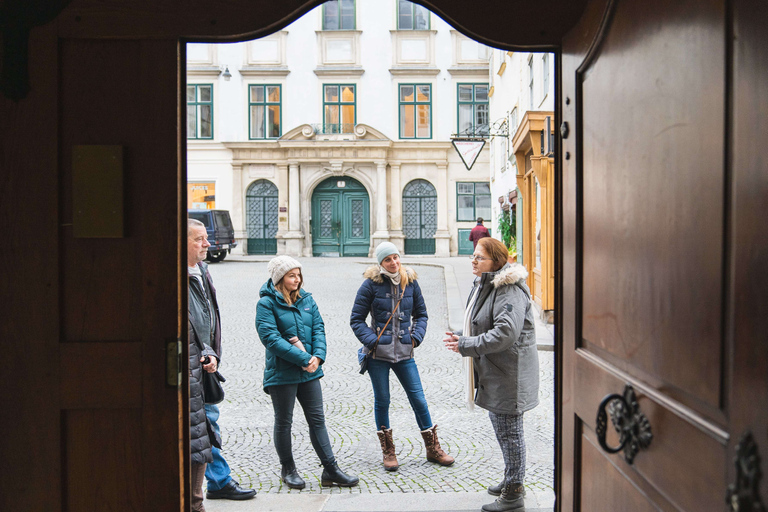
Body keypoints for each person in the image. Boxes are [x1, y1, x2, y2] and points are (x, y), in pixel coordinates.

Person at [443, 237, 539, 512]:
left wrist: (467, 344)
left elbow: (505, 333)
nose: (473, 261)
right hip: (498, 373)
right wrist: (463, 336)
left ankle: (514, 493)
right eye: (472, 256)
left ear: (496, 262)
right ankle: (511, 477)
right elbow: (483, 322)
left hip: (510, 375)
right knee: (504, 431)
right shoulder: (487, 285)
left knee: (510, 434)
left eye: (479, 258)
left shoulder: (508, 290)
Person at [256, 255, 358, 489]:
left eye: (299, 274)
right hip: (282, 373)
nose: (298, 279)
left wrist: (317, 358)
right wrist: (304, 358)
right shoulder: (266, 304)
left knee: (317, 420)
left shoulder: (307, 299)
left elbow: (319, 329)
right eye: (292, 275)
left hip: (310, 370)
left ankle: (330, 470)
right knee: (284, 422)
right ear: (280, 278)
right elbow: (270, 338)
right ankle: (288, 469)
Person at [350, 242, 454, 471]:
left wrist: (415, 337)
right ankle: (388, 451)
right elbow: (356, 319)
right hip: (378, 354)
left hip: (405, 352)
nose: (394, 263)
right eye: (388, 259)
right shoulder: (370, 285)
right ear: (380, 263)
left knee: (418, 398)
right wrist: (372, 340)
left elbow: (422, 314)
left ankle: (433, 448)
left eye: (396, 257)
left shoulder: (411, 282)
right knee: (383, 400)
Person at [188, 219, 256, 501]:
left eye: (206, 238)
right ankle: (214, 484)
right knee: (205, 424)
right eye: (199, 239)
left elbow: (208, 313)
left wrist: (212, 350)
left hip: (207, 357)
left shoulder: (202, 269)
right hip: (195, 359)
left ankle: (214, 482)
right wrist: (203, 350)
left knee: (207, 421)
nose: (207, 244)